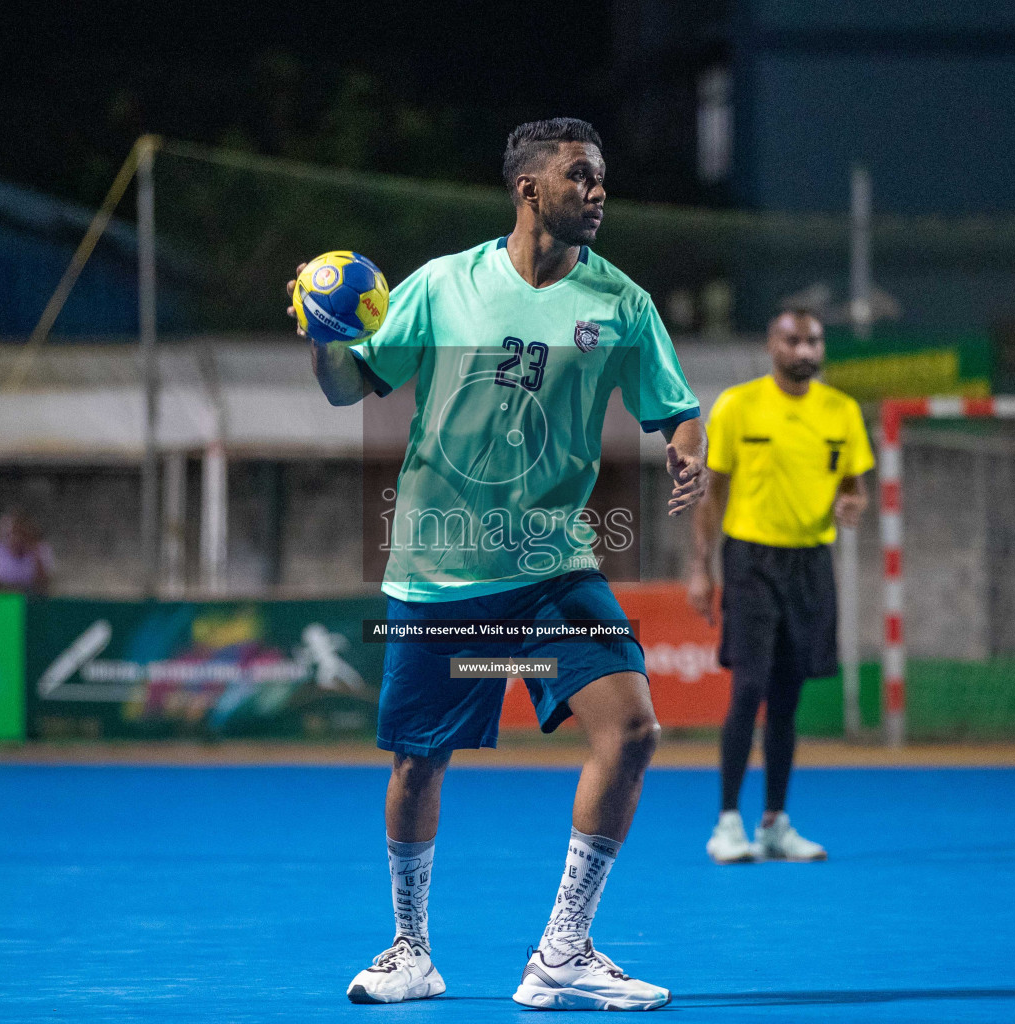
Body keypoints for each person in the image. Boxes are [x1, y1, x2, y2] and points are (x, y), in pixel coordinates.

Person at [287, 118, 705, 1010]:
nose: (597, 190)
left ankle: (563, 951)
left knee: (632, 730)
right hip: (443, 573)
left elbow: (674, 403)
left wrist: (687, 448)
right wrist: (322, 334)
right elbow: (345, 386)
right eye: (579, 176)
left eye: (602, 177)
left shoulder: (621, 303)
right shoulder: (444, 286)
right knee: (416, 764)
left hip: (555, 565)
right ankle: (409, 951)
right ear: (529, 189)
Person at [688, 309, 872, 864]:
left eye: (813, 340)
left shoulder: (842, 412)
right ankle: (726, 823)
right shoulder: (739, 406)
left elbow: (855, 488)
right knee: (749, 687)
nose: (805, 350)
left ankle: (774, 822)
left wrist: (852, 504)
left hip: (812, 565)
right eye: (793, 340)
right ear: (772, 345)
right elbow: (711, 493)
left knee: (789, 700)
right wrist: (702, 566)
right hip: (750, 562)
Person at [0, 510, 52, 596]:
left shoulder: (40, 549)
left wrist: (36, 556)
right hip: (3, 599)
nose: (15, 538)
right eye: (9, 534)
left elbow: (44, 585)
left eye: (19, 532)